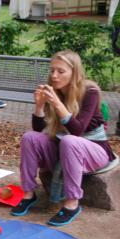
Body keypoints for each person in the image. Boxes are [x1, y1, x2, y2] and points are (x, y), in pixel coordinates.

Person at [11, 50, 116, 226]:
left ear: (74, 73)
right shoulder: (56, 91)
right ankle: (29, 194)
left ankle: (72, 203)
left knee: (69, 141)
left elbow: (77, 130)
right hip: (65, 148)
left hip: (95, 150)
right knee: (30, 137)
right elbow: (39, 130)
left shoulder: (90, 92)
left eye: (61, 71)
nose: (54, 75)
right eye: (52, 70)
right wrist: (39, 106)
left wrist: (57, 104)